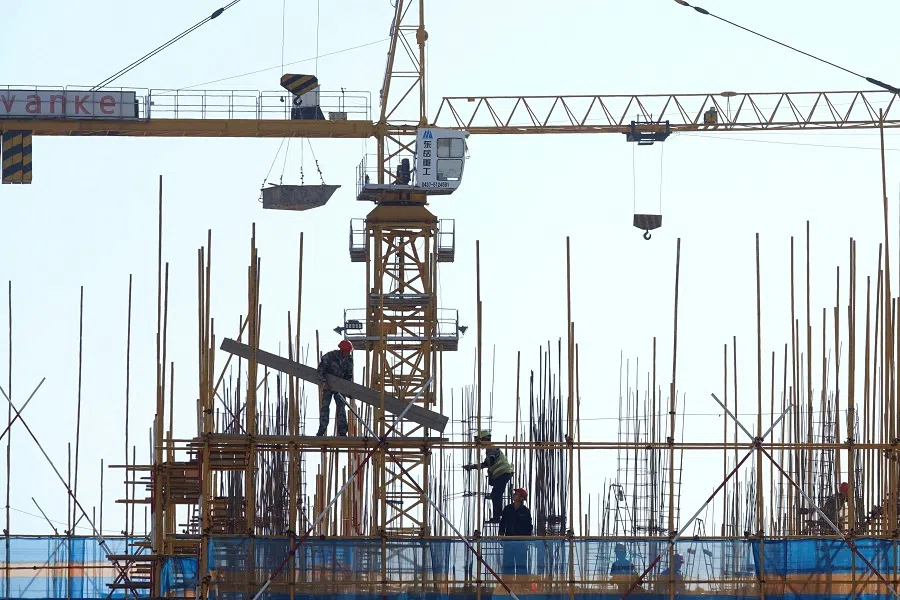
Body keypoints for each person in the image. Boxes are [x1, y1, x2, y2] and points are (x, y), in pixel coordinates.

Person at [463, 430, 514, 522]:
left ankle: (498, 516)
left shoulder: (492, 448)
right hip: (503, 474)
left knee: (496, 495)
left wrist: (491, 459)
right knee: (495, 494)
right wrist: (473, 467)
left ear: (484, 439)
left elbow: (492, 458)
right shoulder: (489, 450)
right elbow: (486, 463)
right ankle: (499, 514)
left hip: (503, 473)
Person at [316, 340, 354, 436]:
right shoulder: (330, 356)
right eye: (347, 352)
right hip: (328, 385)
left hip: (340, 387)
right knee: (325, 407)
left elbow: (348, 376)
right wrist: (324, 383)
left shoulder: (349, 360)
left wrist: (348, 390)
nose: (348, 354)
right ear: (341, 351)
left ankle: (342, 432)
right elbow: (320, 370)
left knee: (341, 408)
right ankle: (322, 430)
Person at [499, 488, 532, 575]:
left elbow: (529, 527)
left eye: (517, 494)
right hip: (509, 542)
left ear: (521, 498)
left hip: (521, 543)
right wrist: (501, 535)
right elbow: (502, 523)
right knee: (507, 566)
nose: (514, 495)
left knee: (521, 565)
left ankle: (522, 585)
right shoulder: (508, 509)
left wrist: (527, 541)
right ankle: (507, 585)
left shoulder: (525, 511)